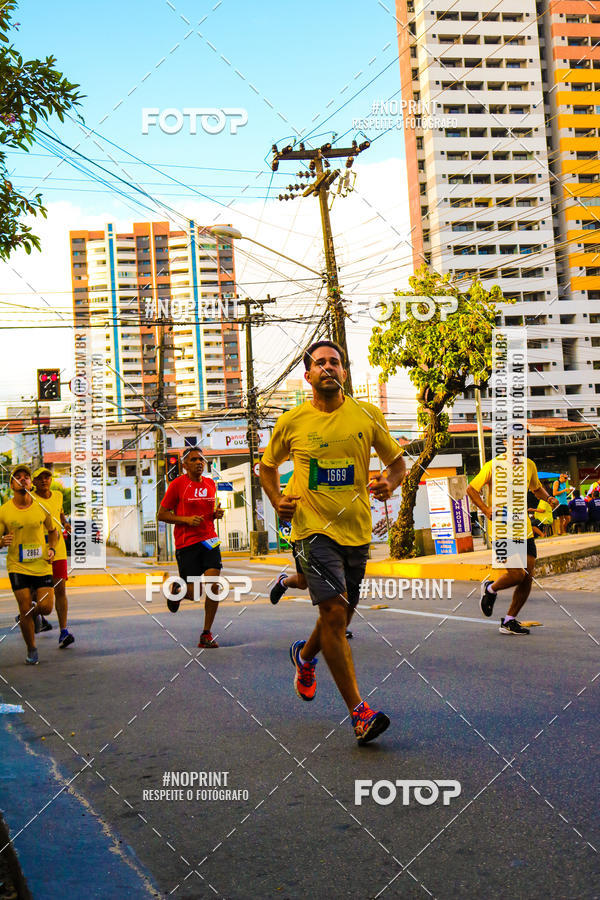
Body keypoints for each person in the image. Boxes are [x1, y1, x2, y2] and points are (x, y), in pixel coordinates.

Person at [260, 340, 406, 745]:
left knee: (337, 619)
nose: (328, 367)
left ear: (344, 372)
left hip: (356, 529)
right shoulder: (292, 421)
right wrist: (277, 500)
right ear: (307, 375)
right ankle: (360, 714)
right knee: (335, 613)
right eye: (320, 362)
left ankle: (305, 656)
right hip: (310, 529)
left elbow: (397, 463)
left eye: (335, 362)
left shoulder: (366, 414)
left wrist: (388, 483)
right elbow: (266, 468)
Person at [467, 446, 559, 635]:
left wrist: (549, 498)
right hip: (501, 529)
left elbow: (536, 488)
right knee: (517, 574)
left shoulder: (529, 465)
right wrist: (485, 509)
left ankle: (509, 620)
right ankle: (490, 588)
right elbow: (471, 489)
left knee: (528, 576)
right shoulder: (493, 466)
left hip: (524, 530)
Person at [158, 447, 224, 648]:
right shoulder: (178, 485)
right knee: (195, 593)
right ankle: (177, 590)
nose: (199, 463)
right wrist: (185, 520)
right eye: (194, 460)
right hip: (187, 544)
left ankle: (206, 633)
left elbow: (208, 511)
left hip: (210, 540)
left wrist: (216, 514)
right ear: (184, 465)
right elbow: (162, 515)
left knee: (214, 586)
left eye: (201, 459)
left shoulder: (211, 484)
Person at [0, 465, 58, 664]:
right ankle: (31, 648)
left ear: (30, 483)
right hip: (17, 565)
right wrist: (1, 541)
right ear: (11, 484)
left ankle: (36, 613)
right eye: (18, 477)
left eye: (26, 477)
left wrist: (52, 549)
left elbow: (53, 531)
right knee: (24, 608)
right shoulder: (4, 510)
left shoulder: (41, 507)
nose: (22, 479)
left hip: (41, 564)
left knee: (47, 607)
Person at [32, 467, 74, 648]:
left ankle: (63, 631)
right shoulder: (30, 498)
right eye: (39, 478)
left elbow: (60, 512)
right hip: (37, 549)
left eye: (47, 477)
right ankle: (33, 614)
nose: (44, 481)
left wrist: (65, 523)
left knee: (60, 590)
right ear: (33, 482)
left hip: (58, 550)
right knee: (36, 591)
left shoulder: (57, 495)